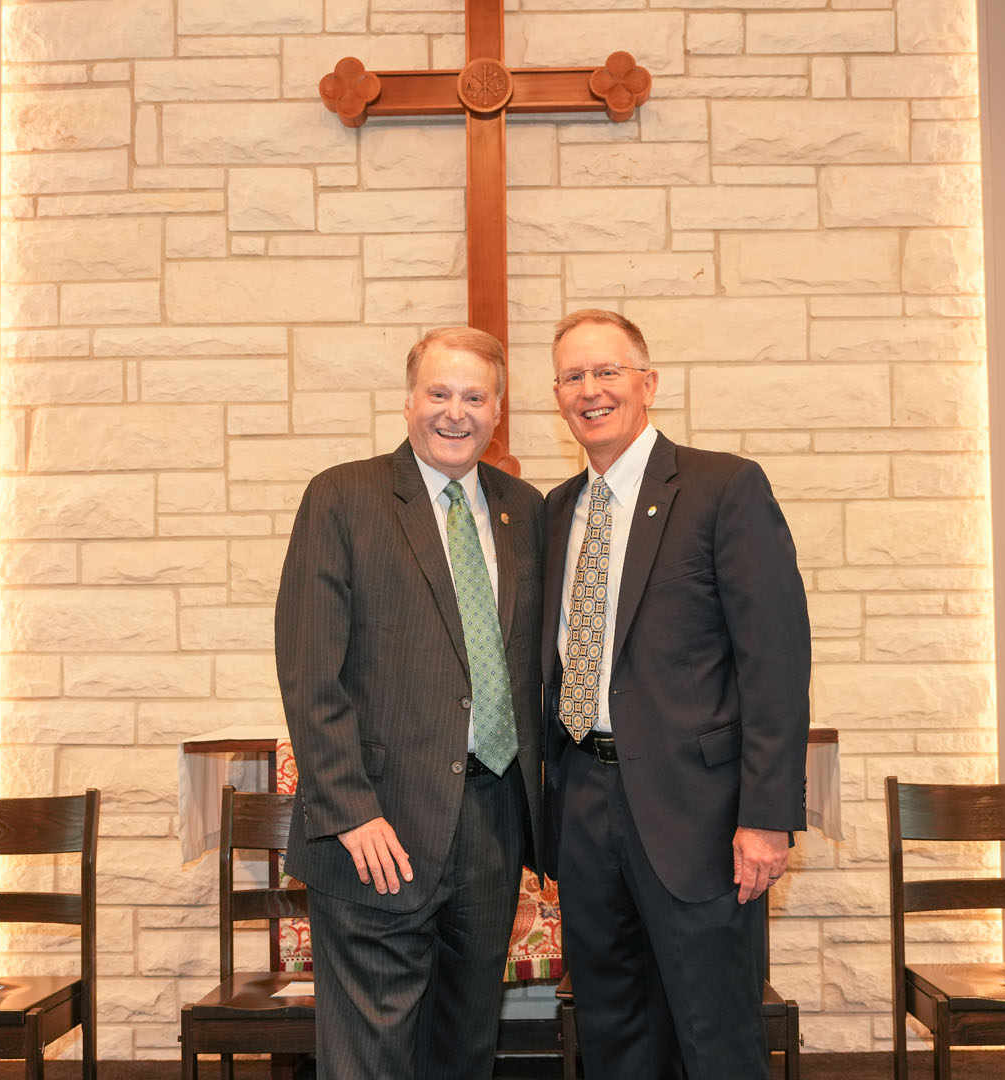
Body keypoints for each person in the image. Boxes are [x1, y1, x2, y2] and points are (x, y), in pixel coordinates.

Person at [539, 309, 811, 1079]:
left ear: (647, 383)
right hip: (585, 808)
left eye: (607, 371)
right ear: (556, 395)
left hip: (698, 815)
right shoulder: (557, 511)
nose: (590, 390)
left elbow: (777, 664)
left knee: (715, 1037)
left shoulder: (723, 487)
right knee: (614, 1032)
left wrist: (766, 818)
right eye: (572, 376)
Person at [275, 326, 544, 1080]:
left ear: (497, 411)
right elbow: (309, 670)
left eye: (473, 396)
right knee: (372, 1057)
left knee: (463, 1049)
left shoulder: (524, 510)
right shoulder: (343, 497)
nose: (454, 412)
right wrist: (350, 809)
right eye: (438, 393)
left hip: (492, 826)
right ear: (406, 402)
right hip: (378, 828)